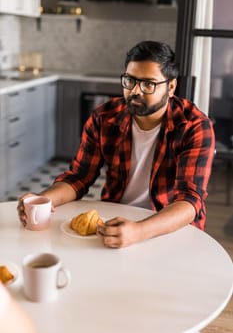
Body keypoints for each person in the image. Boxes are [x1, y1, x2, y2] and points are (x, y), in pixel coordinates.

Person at [18, 40, 215, 248]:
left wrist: (139, 231)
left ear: (171, 86)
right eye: (130, 80)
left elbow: (190, 201)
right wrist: (42, 201)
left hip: (169, 229)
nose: (136, 91)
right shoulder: (105, 117)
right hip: (115, 223)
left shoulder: (194, 126)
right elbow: (79, 177)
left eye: (148, 84)